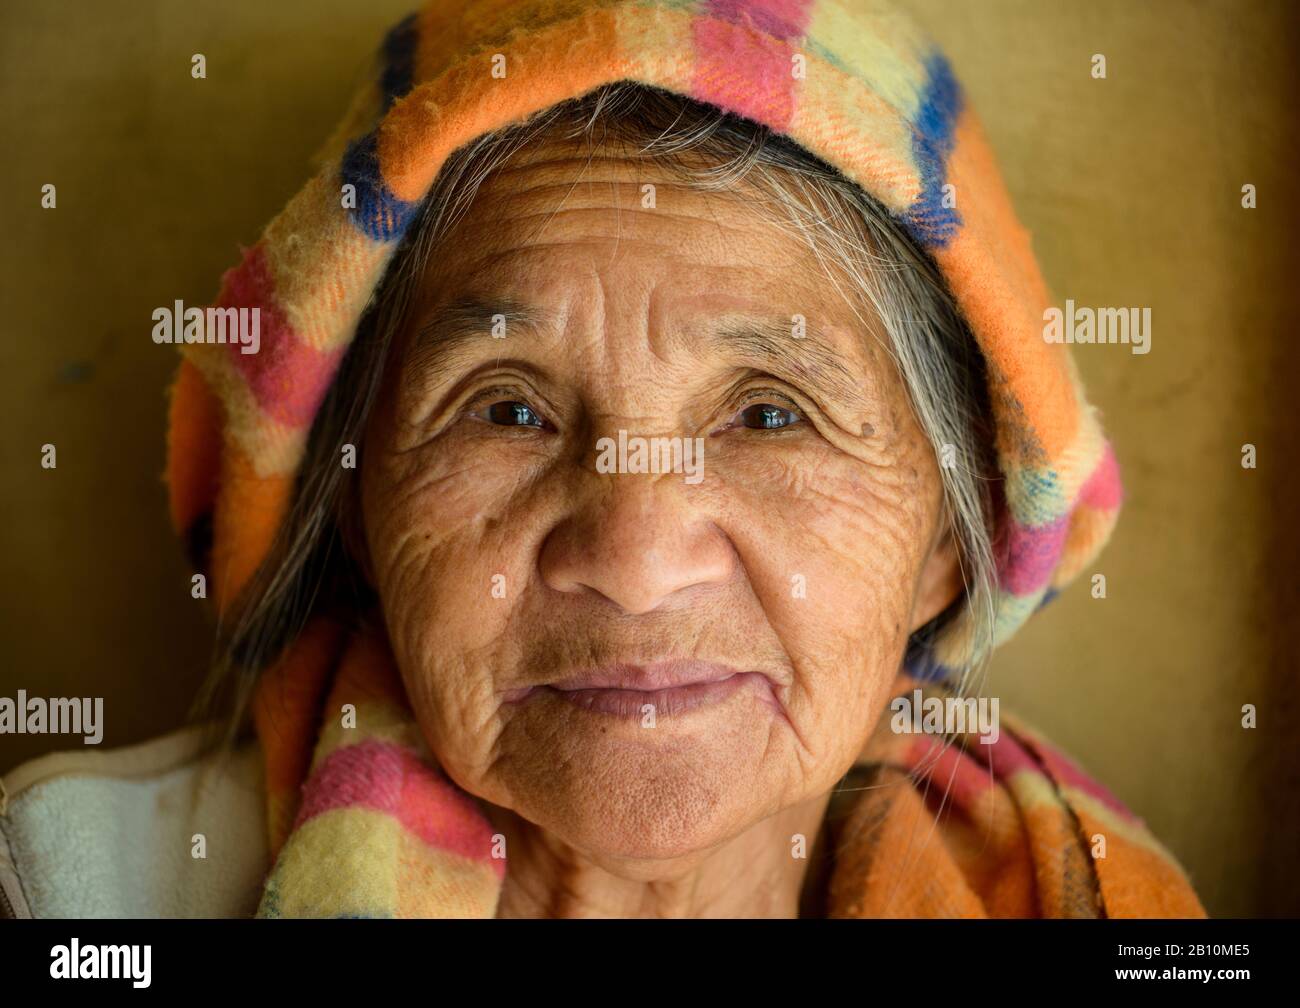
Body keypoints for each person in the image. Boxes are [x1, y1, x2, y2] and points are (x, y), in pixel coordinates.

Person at [0, 0, 1205, 919]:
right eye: (508, 411)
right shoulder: (77, 889)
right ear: (358, 500)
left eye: (771, 415)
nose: (632, 561)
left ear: (951, 536)